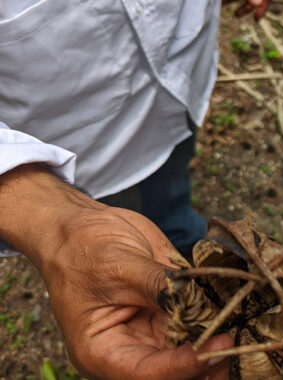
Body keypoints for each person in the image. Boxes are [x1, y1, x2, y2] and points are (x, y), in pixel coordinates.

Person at [0, 0, 268, 378]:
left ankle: (184, 230)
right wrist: (54, 225)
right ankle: (185, 242)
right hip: (86, 145)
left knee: (172, 189)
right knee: (133, 225)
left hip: (180, 76)